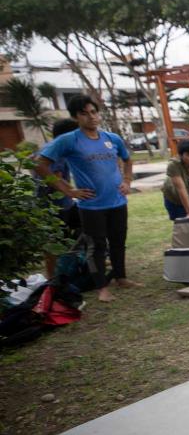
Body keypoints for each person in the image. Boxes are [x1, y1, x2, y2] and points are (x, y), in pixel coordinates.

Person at [36, 96, 141, 303]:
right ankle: (102, 287)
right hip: (91, 205)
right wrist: (68, 190)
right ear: (76, 117)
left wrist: (127, 180)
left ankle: (121, 278)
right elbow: (40, 164)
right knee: (96, 246)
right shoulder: (69, 140)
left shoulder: (112, 138)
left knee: (118, 242)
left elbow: (127, 159)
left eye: (94, 112)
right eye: (84, 113)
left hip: (117, 201)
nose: (91, 117)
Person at [39, 118, 82, 278]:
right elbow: (56, 176)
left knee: (86, 230)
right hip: (54, 206)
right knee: (54, 243)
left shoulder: (48, 149)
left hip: (64, 204)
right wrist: (74, 191)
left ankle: (82, 263)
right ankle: (52, 278)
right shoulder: (57, 151)